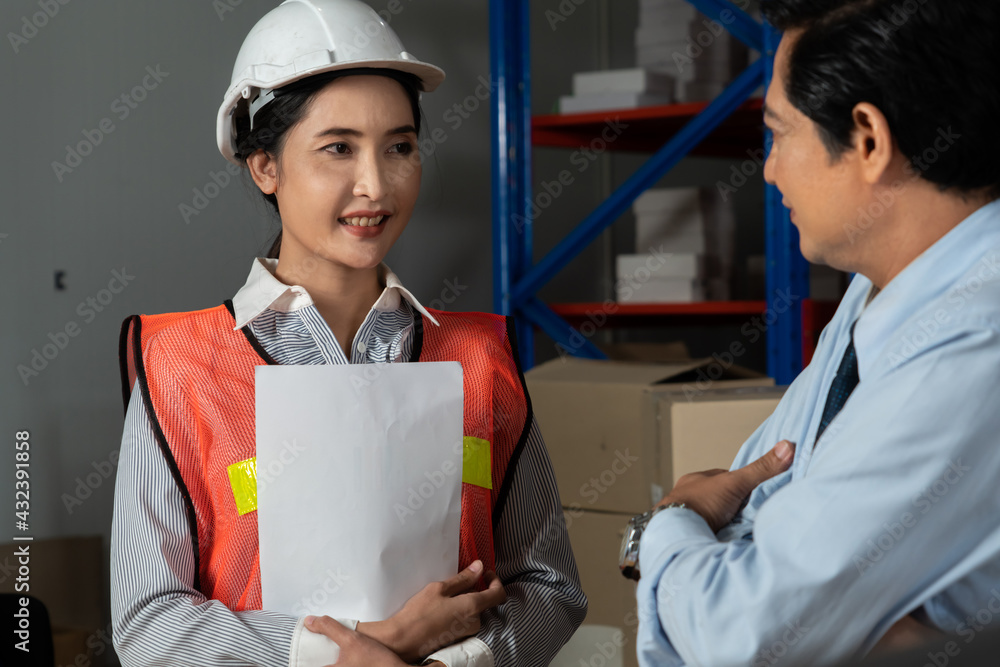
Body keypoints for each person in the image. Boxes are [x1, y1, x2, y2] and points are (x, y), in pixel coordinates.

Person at [110, 1, 586, 666]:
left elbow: (552, 586)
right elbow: (146, 622)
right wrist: (347, 653)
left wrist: (454, 661)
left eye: (400, 147)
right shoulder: (181, 367)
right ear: (264, 167)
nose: (375, 183)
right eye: (338, 148)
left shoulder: (476, 359)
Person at [632, 1, 1000, 665]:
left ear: (867, 138)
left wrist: (668, 528)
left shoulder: (976, 337)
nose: (768, 170)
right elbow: (754, 505)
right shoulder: (880, 290)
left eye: (778, 133)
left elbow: (748, 635)